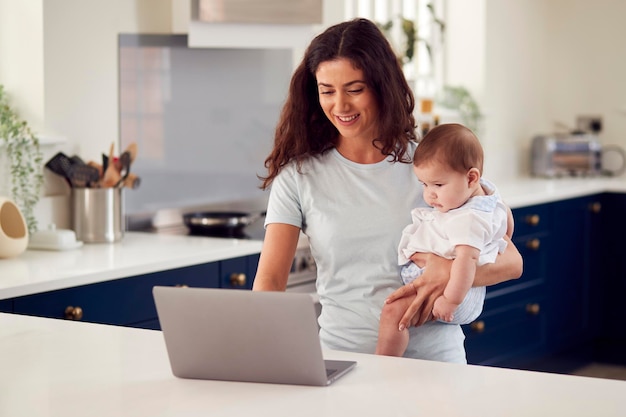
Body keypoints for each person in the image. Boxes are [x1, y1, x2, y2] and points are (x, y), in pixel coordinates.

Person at [252, 17, 522, 363]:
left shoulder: (432, 166)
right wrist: (257, 359)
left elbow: (512, 262)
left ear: (382, 85)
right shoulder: (299, 177)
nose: (340, 106)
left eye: (355, 89)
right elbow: (270, 281)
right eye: (327, 90)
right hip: (339, 361)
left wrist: (448, 271)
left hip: (436, 363)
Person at [375, 123, 512, 356]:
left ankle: (382, 366)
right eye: (424, 185)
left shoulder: (468, 219)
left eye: (438, 185)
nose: (429, 194)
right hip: (456, 286)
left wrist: (450, 300)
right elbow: (507, 226)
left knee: (392, 314)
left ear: (471, 178)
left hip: (455, 292)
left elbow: (466, 261)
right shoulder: (487, 197)